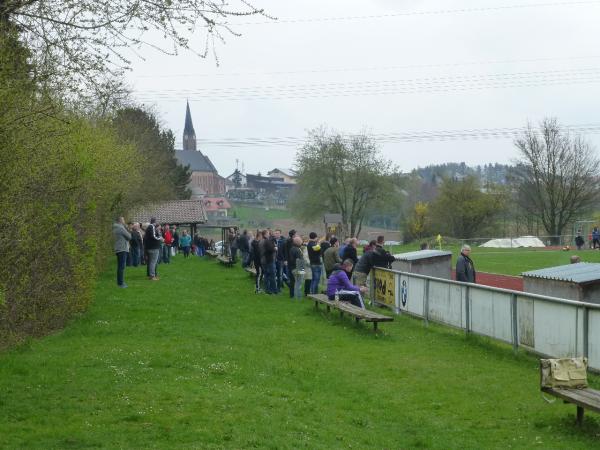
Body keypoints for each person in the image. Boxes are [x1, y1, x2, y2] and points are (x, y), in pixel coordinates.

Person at [113, 217, 131, 288]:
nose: (124, 221)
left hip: (119, 248)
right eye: (123, 220)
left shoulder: (115, 227)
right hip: (122, 248)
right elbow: (129, 236)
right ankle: (121, 283)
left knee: (120, 266)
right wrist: (127, 228)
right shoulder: (121, 228)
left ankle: (120, 282)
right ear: (120, 221)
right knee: (121, 267)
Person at [259, 229, 278, 294]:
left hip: (262, 260)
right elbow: (270, 249)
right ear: (265, 234)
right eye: (268, 233)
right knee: (272, 275)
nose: (269, 234)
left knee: (266, 275)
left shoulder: (261, 241)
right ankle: (274, 290)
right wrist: (275, 248)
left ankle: (267, 290)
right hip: (268, 260)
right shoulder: (267, 241)